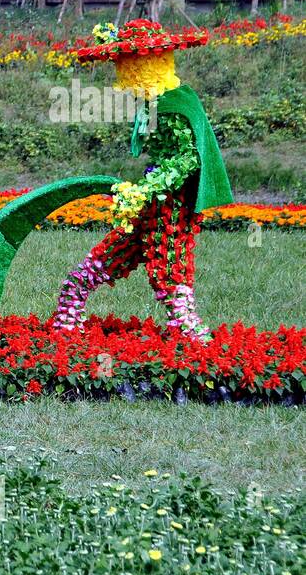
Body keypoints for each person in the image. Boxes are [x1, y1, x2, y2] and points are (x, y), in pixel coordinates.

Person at [52, 18, 234, 338]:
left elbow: (189, 158)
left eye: (128, 63)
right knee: (117, 249)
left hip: (173, 201)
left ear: (151, 62)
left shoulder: (176, 104)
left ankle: (187, 330)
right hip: (152, 198)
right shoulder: (151, 102)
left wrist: (148, 187)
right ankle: (71, 302)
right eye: (121, 64)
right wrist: (143, 191)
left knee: (168, 263)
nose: (122, 72)